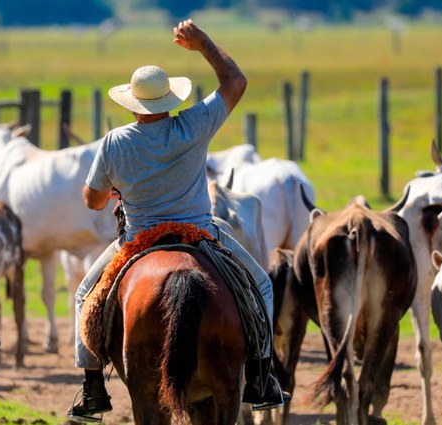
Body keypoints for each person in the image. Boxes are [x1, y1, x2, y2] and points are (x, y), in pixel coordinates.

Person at [68, 19, 285, 423]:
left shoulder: (116, 142)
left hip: (137, 242)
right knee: (261, 285)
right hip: (200, 235)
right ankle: (260, 376)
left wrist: (114, 190)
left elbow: (92, 200)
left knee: (84, 295)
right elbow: (235, 82)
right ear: (168, 101)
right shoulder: (194, 123)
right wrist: (202, 44)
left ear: (132, 105)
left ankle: (93, 388)